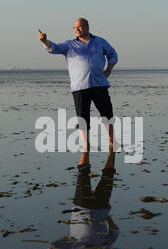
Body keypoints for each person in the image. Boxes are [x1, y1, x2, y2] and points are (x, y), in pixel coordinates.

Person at [38, 18, 118, 152]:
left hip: (99, 84)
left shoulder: (100, 41)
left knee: (107, 114)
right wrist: (45, 41)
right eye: (74, 27)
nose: (76, 29)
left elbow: (113, 55)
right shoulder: (69, 45)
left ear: (87, 27)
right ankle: (86, 146)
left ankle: (112, 141)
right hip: (80, 86)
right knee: (82, 117)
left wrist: (109, 70)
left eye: (79, 27)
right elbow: (54, 48)